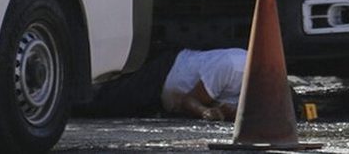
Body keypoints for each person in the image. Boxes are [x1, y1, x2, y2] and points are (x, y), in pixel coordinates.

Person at [77, 47, 247, 120]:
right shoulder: (232, 66)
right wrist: (206, 112)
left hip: (164, 102)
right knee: (100, 103)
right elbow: (189, 101)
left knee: (115, 108)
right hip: (164, 74)